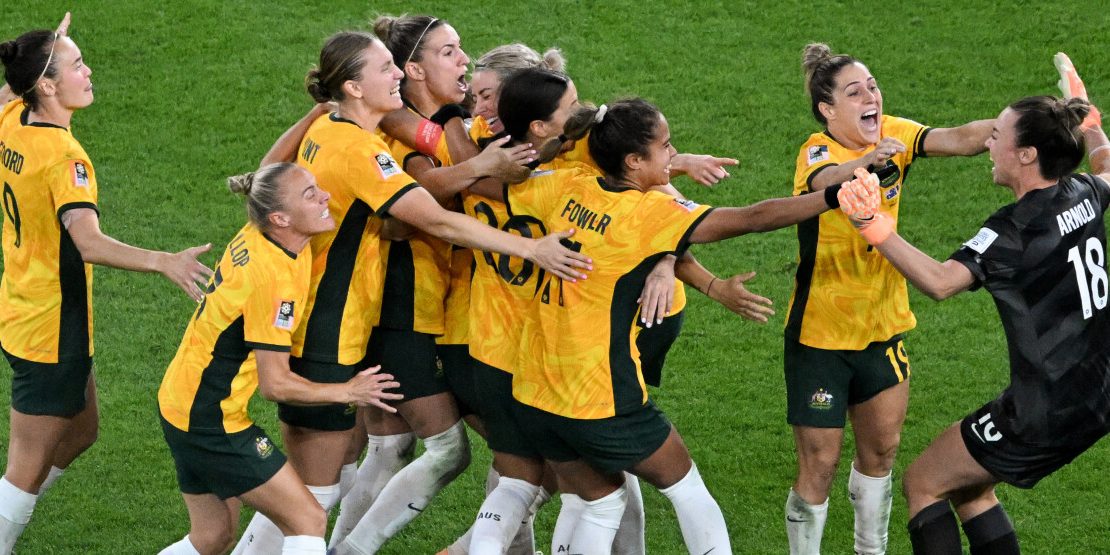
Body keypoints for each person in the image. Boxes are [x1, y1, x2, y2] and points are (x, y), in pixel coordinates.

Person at [239, 32, 588, 555]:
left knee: (325, 482)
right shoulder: (361, 147)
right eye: (387, 67)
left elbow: (272, 174)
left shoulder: (340, 127)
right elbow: (430, 220)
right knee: (312, 494)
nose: (398, 74)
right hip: (332, 325)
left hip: (336, 320)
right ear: (354, 87)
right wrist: (532, 249)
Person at [490, 89, 879, 555]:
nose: (674, 154)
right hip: (599, 397)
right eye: (666, 146)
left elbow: (530, 173)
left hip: (534, 389)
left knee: (600, 503)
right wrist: (834, 195)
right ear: (633, 161)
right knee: (687, 490)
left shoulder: (563, 184)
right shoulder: (646, 212)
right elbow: (751, 218)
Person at [867, 59, 1110, 555]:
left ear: (1025, 155)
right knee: (972, 488)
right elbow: (1105, 163)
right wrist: (1090, 126)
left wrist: (871, 224)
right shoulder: (1084, 191)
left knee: (924, 483)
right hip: (1098, 392)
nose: (988, 143)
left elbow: (939, 282)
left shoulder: (1013, 230)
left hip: (1045, 408)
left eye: (997, 135)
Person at [0, 18, 212, 554]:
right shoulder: (65, 157)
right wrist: (164, 260)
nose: (89, 71)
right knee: (23, 470)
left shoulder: (10, 116)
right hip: (51, 329)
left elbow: (11, 85)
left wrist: (38, 50)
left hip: (23, 307)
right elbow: (88, 243)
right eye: (76, 64)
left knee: (82, 431)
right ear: (46, 86)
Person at [783, 43, 996, 555]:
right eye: (854, 92)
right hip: (820, 336)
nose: (870, 96)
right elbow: (824, 181)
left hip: (883, 326)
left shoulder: (894, 133)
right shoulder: (817, 150)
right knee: (820, 465)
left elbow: (960, 138)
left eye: (872, 86)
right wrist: (864, 161)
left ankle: (869, 551)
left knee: (882, 453)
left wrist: (1018, 124)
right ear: (827, 110)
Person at [157, 164, 404, 555]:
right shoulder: (273, 277)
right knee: (307, 520)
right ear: (280, 217)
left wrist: (317, 110)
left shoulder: (260, 231)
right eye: (310, 194)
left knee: (213, 537)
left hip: (180, 401)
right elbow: (276, 385)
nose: (325, 196)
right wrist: (348, 391)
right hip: (210, 417)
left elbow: (268, 179)